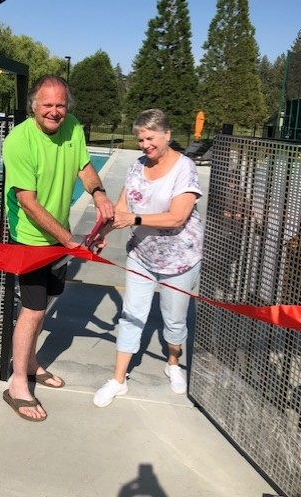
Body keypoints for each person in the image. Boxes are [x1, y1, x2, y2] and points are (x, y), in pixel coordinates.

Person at [2, 74, 114, 421]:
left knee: (48, 302)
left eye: (60, 105)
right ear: (34, 105)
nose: (54, 112)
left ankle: (32, 363)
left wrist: (99, 194)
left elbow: (83, 166)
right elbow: (28, 202)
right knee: (33, 310)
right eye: (47, 105)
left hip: (59, 235)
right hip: (31, 237)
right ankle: (17, 383)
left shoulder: (74, 126)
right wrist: (68, 241)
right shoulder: (19, 140)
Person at [93, 108, 203, 407]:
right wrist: (105, 231)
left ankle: (172, 364)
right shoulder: (135, 166)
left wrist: (134, 219)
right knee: (131, 315)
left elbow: (178, 217)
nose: (144, 145)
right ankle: (118, 380)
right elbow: (121, 207)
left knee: (174, 319)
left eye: (150, 138)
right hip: (141, 256)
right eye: (140, 139)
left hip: (179, 259)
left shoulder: (185, 168)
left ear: (167, 134)